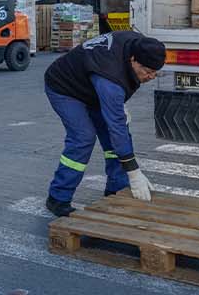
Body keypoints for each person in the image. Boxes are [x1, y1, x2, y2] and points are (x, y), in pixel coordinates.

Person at [43, 31, 164, 217]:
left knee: (115, 138)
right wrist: (134, 173)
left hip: (93, 87)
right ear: (133, 60)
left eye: (155, 73)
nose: (150, 77)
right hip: (65, 87)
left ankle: (116, 190)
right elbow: (116, 124)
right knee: (83, 137)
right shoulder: (110, 78)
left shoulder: (137, 44)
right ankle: (58, 197)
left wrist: (118, 107)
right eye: (147, 72)